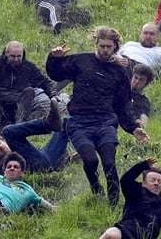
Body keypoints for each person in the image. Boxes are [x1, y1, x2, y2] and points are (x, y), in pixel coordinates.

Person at [46, 26, 149, 206]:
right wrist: (54, 58)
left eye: (109, 47)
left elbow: (122, 105)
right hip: (79, 121)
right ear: (96, 44)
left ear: (115, 47)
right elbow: (55, 74)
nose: (105, 50)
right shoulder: (80, 61)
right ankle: (95, 187)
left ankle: (114, 204)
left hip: (105, 122)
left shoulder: (119, 72)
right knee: (90, 160)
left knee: (109, 162)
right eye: (102, 46)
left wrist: (133, 128)